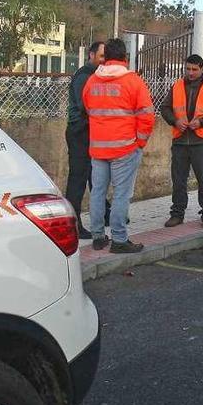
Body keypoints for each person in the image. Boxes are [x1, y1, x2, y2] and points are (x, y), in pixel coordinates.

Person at [82, 39, 155, 254]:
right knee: (121, 194)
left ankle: (97, 237)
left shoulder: (91, 81)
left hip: (98, 148)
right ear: (125, 57)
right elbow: (147, 116)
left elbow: (88, 108)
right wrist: (140, 142)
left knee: (97, 193)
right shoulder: (133, 82)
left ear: (106, 57)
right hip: (124, 148)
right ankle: (119, 240)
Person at [160, 54, 203, 229]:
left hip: (201, 141)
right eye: (188, 69)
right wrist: (175, 121)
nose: (190, 72)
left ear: (202, 69)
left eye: (194, 69)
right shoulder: (177, 86)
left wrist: (201, 122)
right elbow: (164, 108)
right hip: (180, 141)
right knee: (178, 180)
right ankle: (177, 214)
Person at [65, 41, 107, 239]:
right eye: (101, 56)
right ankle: (73, 224)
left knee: (95, 176)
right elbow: (87, 106)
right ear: (91, 55)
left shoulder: (96, 75)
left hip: (91, 132)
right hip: (80, 132)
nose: (104, 61)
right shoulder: (84, 76)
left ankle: (105, 214)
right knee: (78, 179)